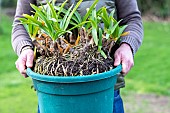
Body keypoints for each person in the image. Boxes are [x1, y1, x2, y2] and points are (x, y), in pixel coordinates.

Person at [12, 0, 143, 113]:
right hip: (53, 93)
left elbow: (132, 18)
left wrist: (127, 46)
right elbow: (21, 23)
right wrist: (24, 48)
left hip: (105, 92)